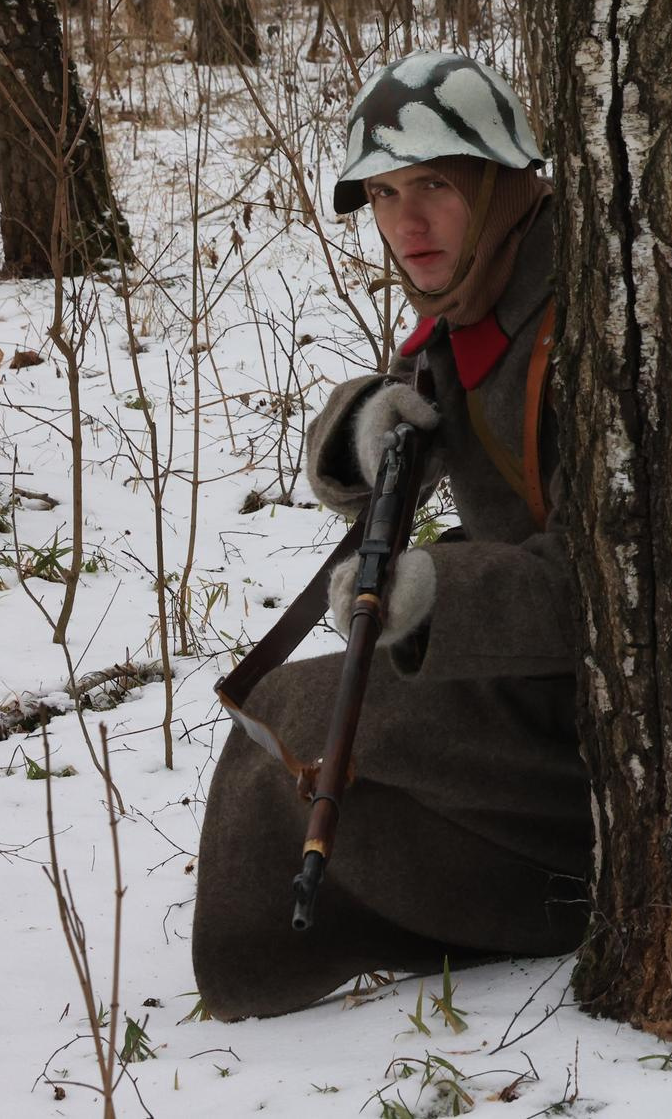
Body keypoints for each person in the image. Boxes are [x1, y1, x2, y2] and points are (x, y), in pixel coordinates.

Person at [192, 52, 588, 1017]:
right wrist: (365, 425)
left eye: (437, 187)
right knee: (288, 732)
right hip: (526, 675)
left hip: (593, 715)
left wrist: (436, 597)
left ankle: (559, 900)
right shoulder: (485, 291)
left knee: (306, 724)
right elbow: (422, 400)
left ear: (504, 184)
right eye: (385, 193)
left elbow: (620, 583)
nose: (407, 224)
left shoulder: (576, 322)